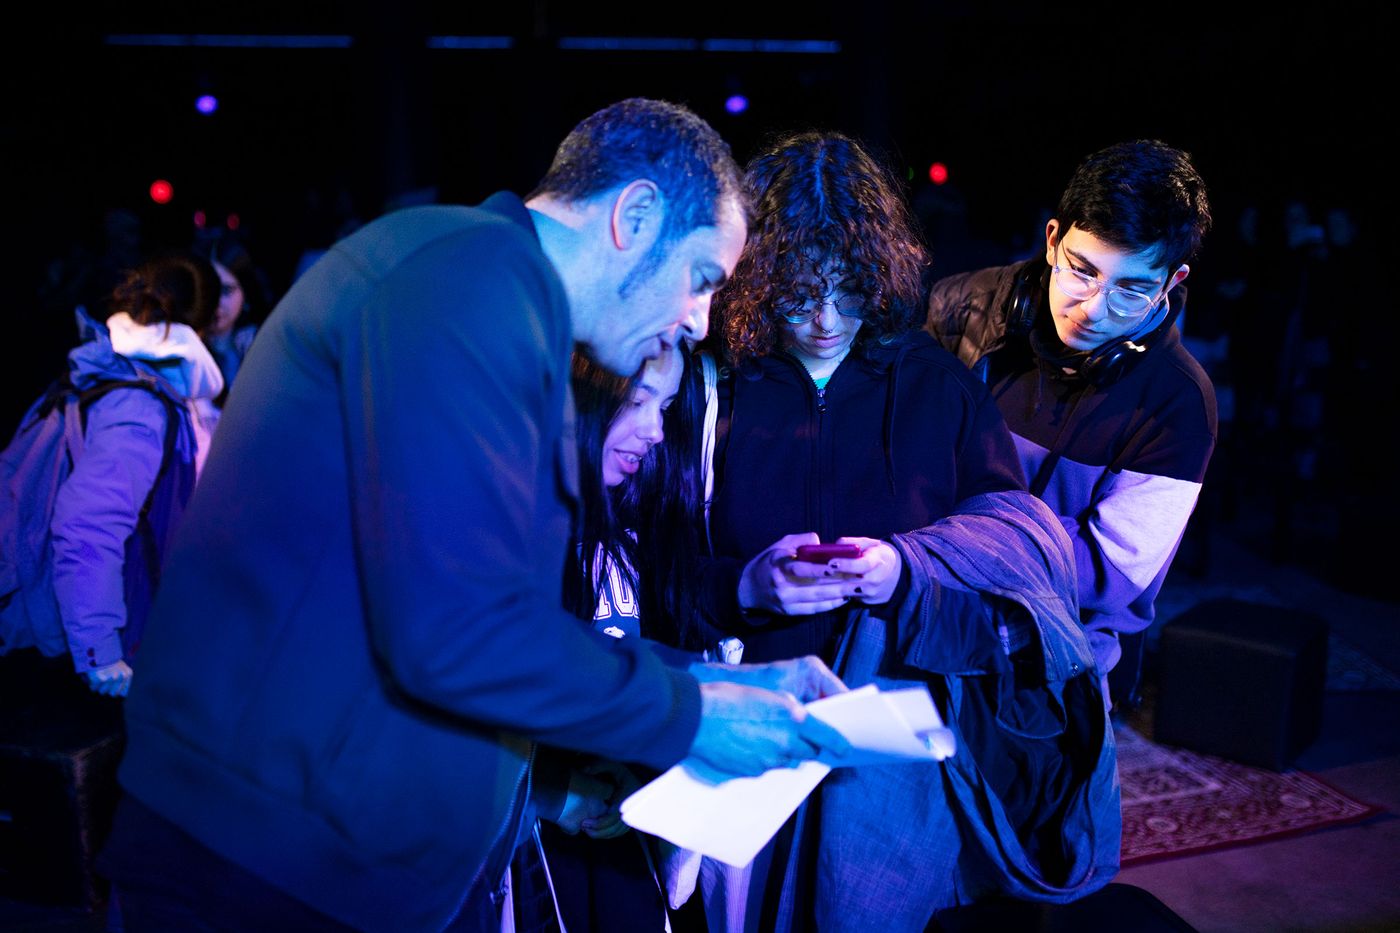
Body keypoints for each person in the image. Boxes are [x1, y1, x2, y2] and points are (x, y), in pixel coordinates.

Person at [96, 98, 850, 933]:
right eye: (702, 277)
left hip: (309, 857)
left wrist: (715, 682)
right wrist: (699, 714)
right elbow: (458, 632)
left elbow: (469, 614)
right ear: (634, 217)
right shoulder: (468, 276)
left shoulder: (485, 292)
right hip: (264, 869)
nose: (700, 318)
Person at [692, 131, 1030, 930]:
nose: (823, 317)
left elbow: (1006, 560)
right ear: (758, 278)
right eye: (798, 291)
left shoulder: (936, 386)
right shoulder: (712, 383)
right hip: (752, 703)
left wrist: (905, 571)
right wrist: (742, 584)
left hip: (895, 703)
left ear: (879, 273)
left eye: (847, 288)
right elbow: (640, 574)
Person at [925, 139, 1216, 710]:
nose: (1093, 308)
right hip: (920, 605)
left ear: (1172, 281)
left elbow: (1109, 577)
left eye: (1131, 289)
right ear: (1053, 239)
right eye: (1082, 272)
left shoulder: (1179, 404)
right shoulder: (963, 306)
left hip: (1053, 656)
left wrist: (962, 534)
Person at [512, 344, 706, 931]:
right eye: (636, 401)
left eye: (666, 407)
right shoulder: (508, 531)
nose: (653, 431)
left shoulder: (629, 524)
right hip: (524, 846)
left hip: (615, 820)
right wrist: (551, 791)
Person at [0, 250, 223, 698]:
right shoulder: (137, 406)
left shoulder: (101, 371)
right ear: (205, 324)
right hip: (62, 642)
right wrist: (100, 652)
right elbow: (87, 528)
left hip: (49, 617)